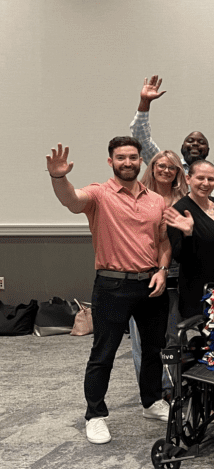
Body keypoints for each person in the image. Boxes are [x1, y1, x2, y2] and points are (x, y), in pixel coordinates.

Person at [46, 137, 171, 444]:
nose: (127, 162)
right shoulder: (100, 194)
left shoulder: (156, 200)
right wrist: (58, 177)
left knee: (154, 350)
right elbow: (72, 201)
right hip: (113, 285)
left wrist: (163, 270)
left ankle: (152, 402)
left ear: (141, 160)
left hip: (151, 284)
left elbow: (164, 241)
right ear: (111, 161)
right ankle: (95, 415)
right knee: (104, 353)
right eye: (120, 157)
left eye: (132, 157)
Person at [127, 150, 188, 395]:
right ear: (152, 168)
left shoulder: (185, 199)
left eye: (171, 167)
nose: (165, 170)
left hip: (176, 275)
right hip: (141, 273)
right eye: (161, 165)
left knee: (173, 335)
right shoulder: (136, 195)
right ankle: (151, 389)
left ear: (178, 173)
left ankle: (174, 385)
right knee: (143, 339)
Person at [163, 159, 214, 319]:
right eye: (200, 178)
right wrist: (188, 234)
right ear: (188, 179)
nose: (206, 183)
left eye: (211, 179)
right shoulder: (179, 211)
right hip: (207, 291)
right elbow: (181, 257)